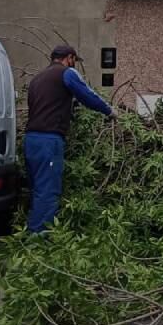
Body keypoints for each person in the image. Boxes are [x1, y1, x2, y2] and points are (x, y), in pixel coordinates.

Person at [24, 45, 114, 233]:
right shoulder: (67, 73)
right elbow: (88, 96)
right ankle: (41, 239)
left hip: (31, 139)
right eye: (74, 60)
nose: (75, 64)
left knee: (37, 189)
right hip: (49, 140)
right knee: (48, 190)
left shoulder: (37, 79)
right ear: (69, 58)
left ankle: (32, 232)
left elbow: (46, 106)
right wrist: (109, 111)